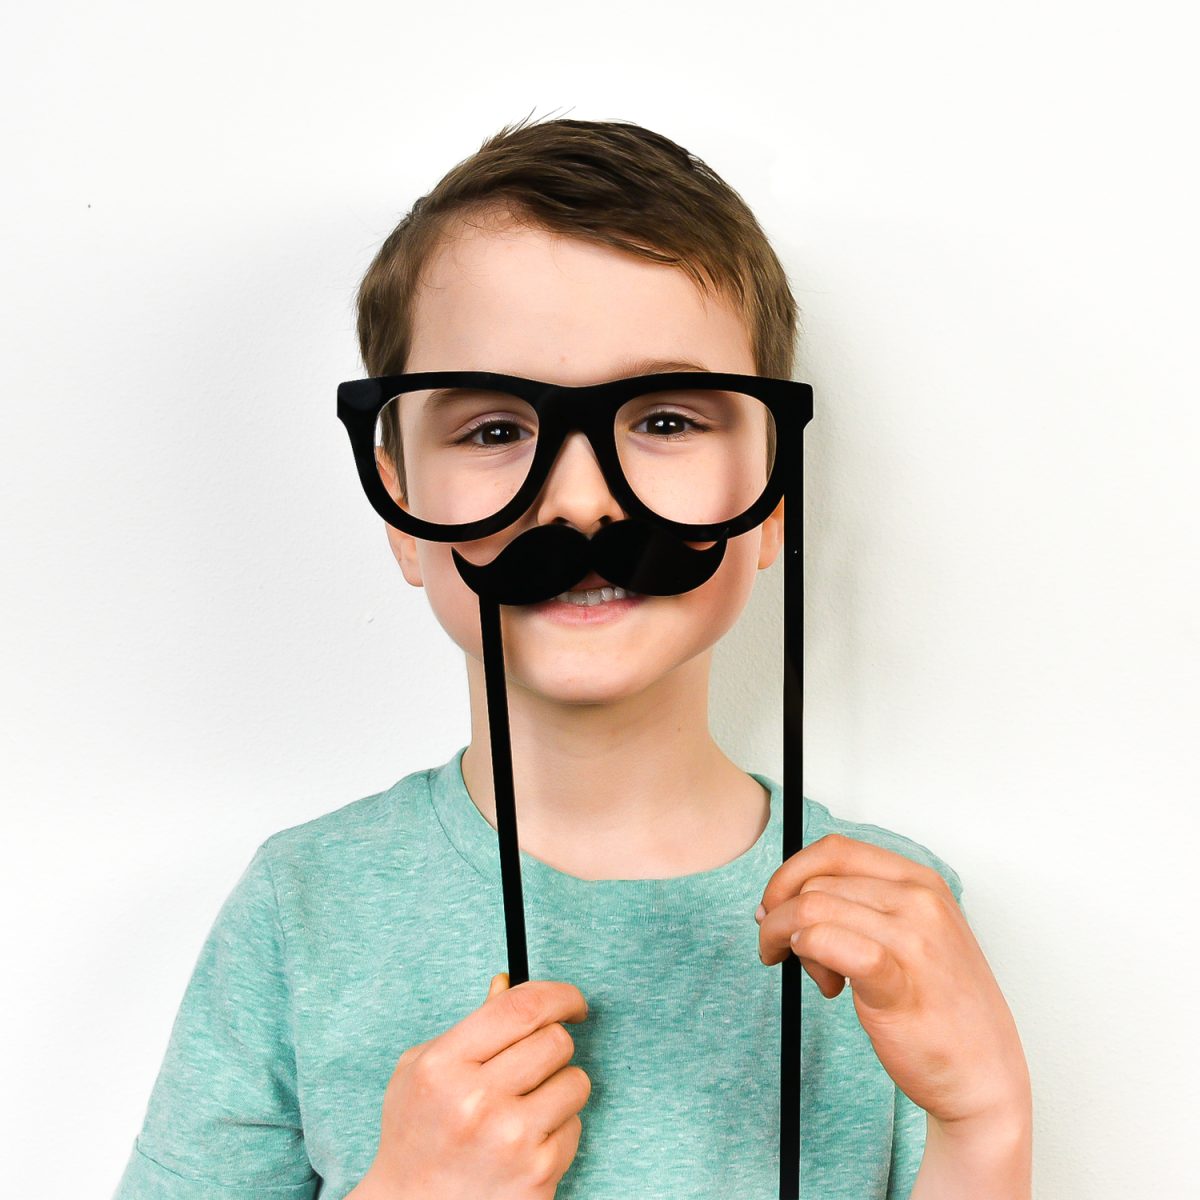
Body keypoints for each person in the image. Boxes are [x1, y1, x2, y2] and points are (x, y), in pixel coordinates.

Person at [113, 115, 1032, 1200]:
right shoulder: (302, 908)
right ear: (403, 509)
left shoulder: (888, 918)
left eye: (669, 420)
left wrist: (986, 1126)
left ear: (773, 495)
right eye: (495, 430)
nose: (584, 499)